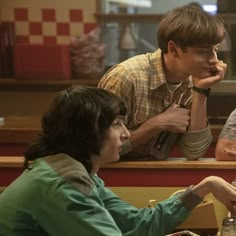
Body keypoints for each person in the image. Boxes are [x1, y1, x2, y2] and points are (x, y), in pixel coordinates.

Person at [0, 86, 236, 236]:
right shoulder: (63, 183)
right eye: (116, 124)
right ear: (87, 132)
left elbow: (139, 225)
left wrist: (206, 186)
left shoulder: (75, 171)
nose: (126, 133)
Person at [98, 4, 227, 160]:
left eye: (215, 49)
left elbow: (194, 152)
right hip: (112, 177)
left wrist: (200, 92)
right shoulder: (126, 77)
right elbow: (100, 149)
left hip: (151, 175)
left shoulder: (193, 80)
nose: (214, 60)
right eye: (203, 51)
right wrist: (157, 124)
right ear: (173, 50)